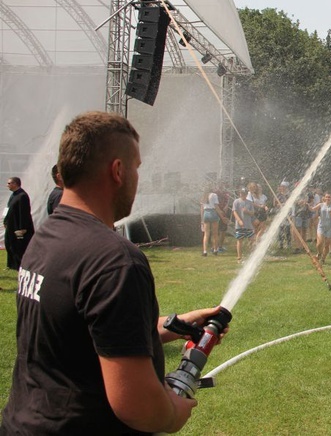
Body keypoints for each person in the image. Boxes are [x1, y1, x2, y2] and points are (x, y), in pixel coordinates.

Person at [0, 111, 227, 434]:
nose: (137, 177)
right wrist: (174, 411)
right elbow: (138, 407)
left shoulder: (46, 239)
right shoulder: (115, 261)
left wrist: (175, 325)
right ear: (118, 171)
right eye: (136, 167)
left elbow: (85, 330)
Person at [4, 176, 35, 270]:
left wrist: (22, 228)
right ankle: (11, 264)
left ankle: (20, 265)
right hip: (11, 225)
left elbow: (24, 213)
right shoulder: (13, 195)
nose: (7, 185)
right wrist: (5, 220)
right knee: (9, 244)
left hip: (18, 226)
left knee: (19, 246)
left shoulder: (22, 196)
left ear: (15, 184)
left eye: (9, 183)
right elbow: (8, 209)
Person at [310, 192, 331, 263]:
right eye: (326, 197)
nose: (328, 198)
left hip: (329, 227)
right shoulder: (321, 205)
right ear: (324, 198)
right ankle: (319, 253)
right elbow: (312, 209)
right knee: (319, 243)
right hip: (321, 226)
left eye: (329, 197)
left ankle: (323, 258)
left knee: (327, 244)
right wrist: (307, 205)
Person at [232, 188, 255, 262]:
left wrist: (247, 211)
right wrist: (239, 220)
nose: (242, 194)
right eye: (241, 193)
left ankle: (251, 256)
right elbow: (234, 212)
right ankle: (239, 257)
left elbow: (252, 213)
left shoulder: (250, 202)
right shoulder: (236, 201)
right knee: (239, 240)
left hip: (248, 224)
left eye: (244, 193)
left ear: (246, 194)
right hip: (239, 225)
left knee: (251, 240)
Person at [200, 186, 220, 256]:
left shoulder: (203, 196)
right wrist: (221, 214)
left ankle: (205, 251)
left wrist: (202, 219)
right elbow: (216, 206)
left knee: (206, 234)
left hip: (206, 213)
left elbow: (202, 208)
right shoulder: (214, 195)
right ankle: (215, 249)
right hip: (213, 212)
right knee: (215, 233)